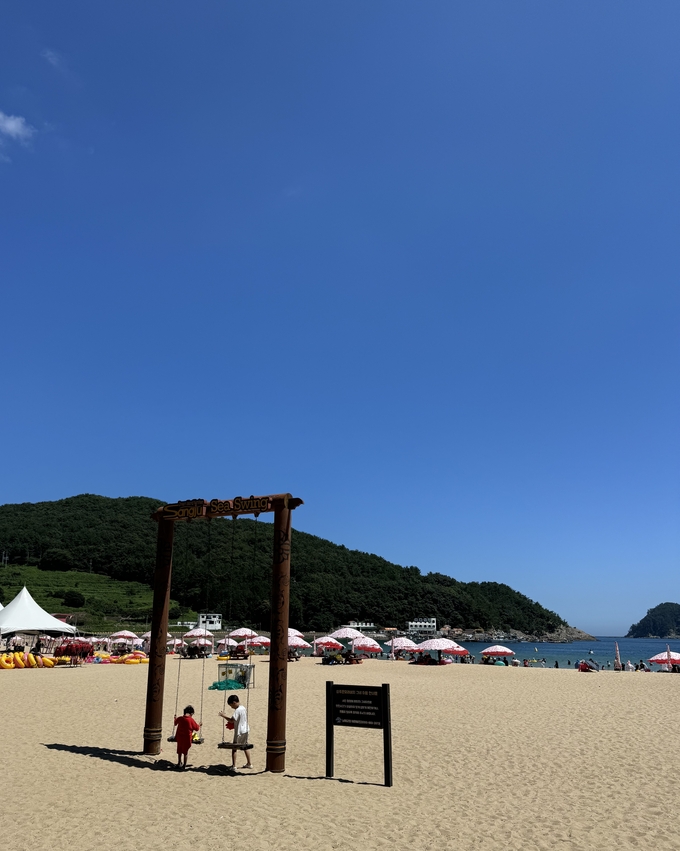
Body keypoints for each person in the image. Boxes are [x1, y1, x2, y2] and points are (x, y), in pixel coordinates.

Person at [219, 695, 252, 770]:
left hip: (239, 731)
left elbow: (231, 720)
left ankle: (234, 766)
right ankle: (249, 763)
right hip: (246, 729)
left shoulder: (237, 710)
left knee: (234, 748)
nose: (231, 707)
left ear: (234, 702)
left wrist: (223, 716)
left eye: (231, 705)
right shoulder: (243, 708)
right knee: (245, 746)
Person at [173, 705, 201, 769]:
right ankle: (184, 765)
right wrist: (199, 725)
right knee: (185, 752)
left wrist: (175, 718)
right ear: (191, 713)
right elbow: (196, 728)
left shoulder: (180, 718)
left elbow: (175, 723)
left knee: (179, 750)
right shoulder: (190, 720)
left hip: (179, 738)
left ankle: (179, 762)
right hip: (187, 739)